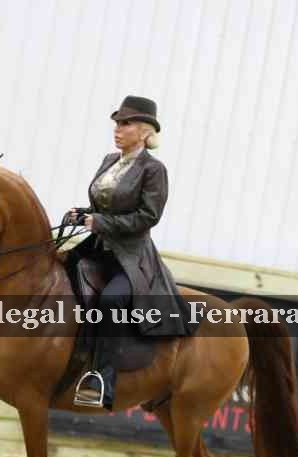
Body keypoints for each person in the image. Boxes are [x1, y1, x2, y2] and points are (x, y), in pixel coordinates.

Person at [68, 95, 198, 410]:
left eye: (125, 124)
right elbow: (106, 205)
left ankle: (102, 380)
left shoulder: (154, 169)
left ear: (143, 132)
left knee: (110, 300)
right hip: (98, 249)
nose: (118, 129)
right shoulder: (109, 161)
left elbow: (146, 217)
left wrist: (99, 221)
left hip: (130, 259)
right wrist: (83, 213)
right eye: (117, 123)